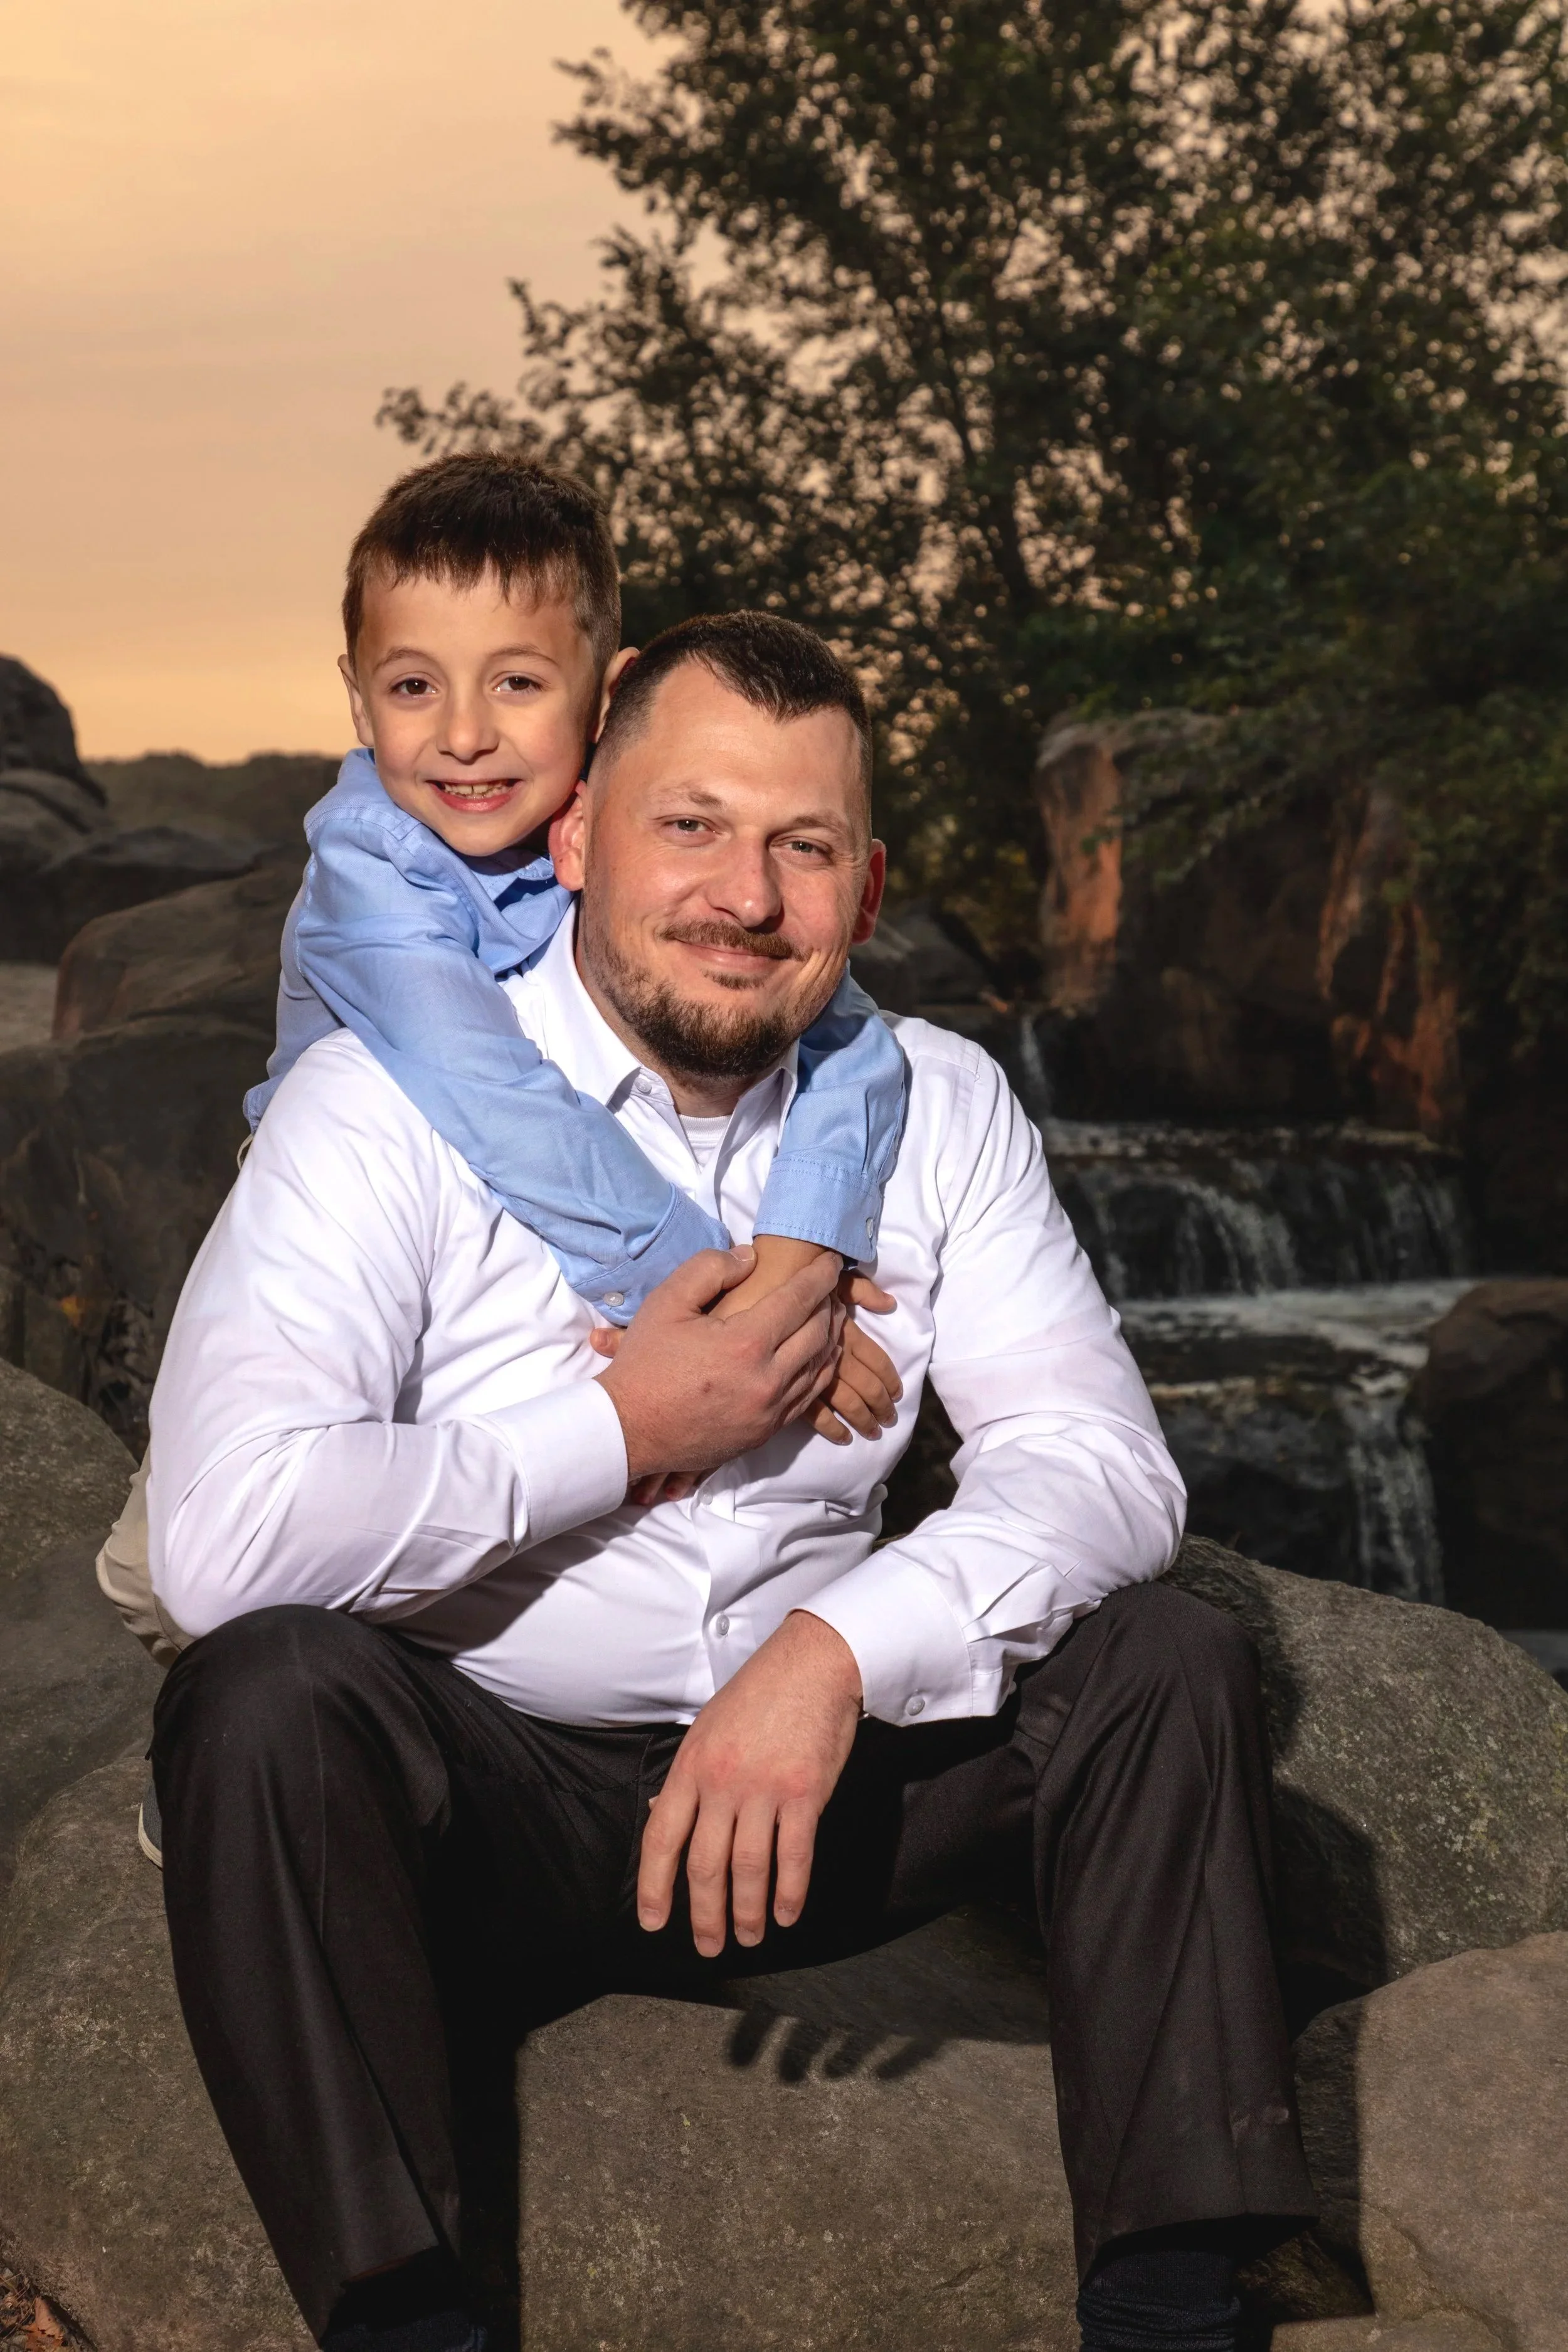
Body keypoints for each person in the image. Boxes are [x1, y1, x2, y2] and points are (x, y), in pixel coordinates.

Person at [145, 612, 1314, 2352]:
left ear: (867, 876)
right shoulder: (374, 1106)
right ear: (575, 838)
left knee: (1169, 1656)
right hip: (495, 1796)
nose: (743, 896)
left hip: (830, 1786)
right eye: (688, 825)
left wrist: (834, 1655)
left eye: (802, 844)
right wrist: (622, 1433)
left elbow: (1095, 1461)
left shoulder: (938, 1099)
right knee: (258, 1698)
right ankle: (405, 2322)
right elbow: (220, 1536)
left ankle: (1167, 2301)